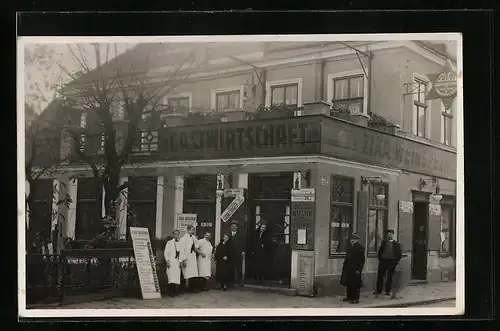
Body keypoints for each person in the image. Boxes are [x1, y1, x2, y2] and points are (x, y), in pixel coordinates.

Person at [375, 229, 402, 296]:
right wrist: (380, 259)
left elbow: (399, 254)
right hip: (383, 261)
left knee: (389, 277)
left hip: (391, 262)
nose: (389, 235)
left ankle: (388, 291)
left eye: (391, 234)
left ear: (393, 235)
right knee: (380, 276)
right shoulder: (384, 242)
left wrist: (395, 262)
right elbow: (380, 251)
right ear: (387, 235)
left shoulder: (396, 244)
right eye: (388, 234)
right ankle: (379, 290)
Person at [340, 233, 365, 304]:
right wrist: (344, 265)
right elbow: (347, 257)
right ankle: (349, 297)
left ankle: (355, 298)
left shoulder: (360, 248)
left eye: (354, 239)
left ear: (357, 240)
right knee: (349, 283)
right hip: (348, 268)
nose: (352, 240)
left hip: (355, 269)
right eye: (351, 239)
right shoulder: (350, 247)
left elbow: (362, 260)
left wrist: (359, 269)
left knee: (355, 284)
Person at [179, 225, 200, 292]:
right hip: (187, 258)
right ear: (187, 230)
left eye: (193, 230)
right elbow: (182, 250)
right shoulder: (183, 239)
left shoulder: (193, 237)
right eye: (191, 230)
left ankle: (192, 288)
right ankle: (182, 288)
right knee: (185, 273)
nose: (192, 231)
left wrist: (196, 247)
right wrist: (184, 259)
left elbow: (197, 244)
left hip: (192, 257)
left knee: (193, 274)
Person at [164, 230, 182, 297]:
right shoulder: (169, 243)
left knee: (176, 277)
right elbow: (166, 252)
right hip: (171, 261)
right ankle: (170, 292)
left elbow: (182, 253)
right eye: (175, 234)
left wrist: (181, 262)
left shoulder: (180, 243)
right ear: (173, 235)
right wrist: (167, 261)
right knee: (171, 277)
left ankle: (174, 291)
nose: (176, 235)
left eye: (177, 234)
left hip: (177, 261)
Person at [228, 221, 245, 286]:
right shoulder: (228, 234)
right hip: (230, 254)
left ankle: (239, 281)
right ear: (230, 227)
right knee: (231, 268)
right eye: (232, 226)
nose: (233, 228)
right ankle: (231, 281)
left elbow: (243, 243)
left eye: (235, 226)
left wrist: (243, 251)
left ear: (237, 227)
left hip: (238, 253)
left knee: (239, 268)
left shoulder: (240, 234)